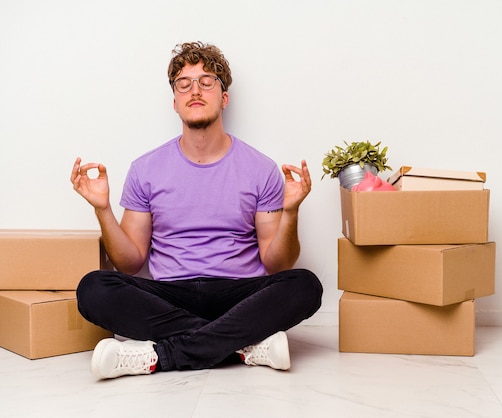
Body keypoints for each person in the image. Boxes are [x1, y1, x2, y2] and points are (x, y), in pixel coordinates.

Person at [70, 42, 323, 379]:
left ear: (224, 97)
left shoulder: (260, 168)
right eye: (184, 84)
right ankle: (242, 344)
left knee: (305, 285)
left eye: (207, 81)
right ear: (175, 101)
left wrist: (290, 213)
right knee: (93, 289)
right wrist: (102, 209)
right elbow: (130, 264)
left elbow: (277, 263)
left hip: (238, 293)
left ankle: (159, 355)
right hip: (171, 295)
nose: (195, 91)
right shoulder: (146, 169)